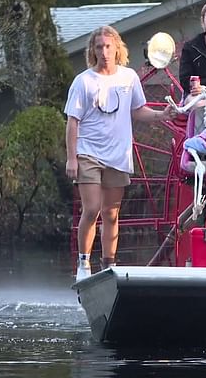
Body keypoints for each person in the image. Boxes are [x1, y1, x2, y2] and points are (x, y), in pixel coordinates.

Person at [64, 26, 177, 281]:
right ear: (93, 51)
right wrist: (72, 158)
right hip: (88, 153)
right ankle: (83, 264)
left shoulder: (128, 77)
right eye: (99, 47)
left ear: (117, 48)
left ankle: (108, 265)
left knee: (112, 213)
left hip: (118, 154)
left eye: (108, 46)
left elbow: (138, 110)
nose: (104, 51)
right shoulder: (83, 81)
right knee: (91, 209)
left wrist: (161, 115)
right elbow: (72, 121)